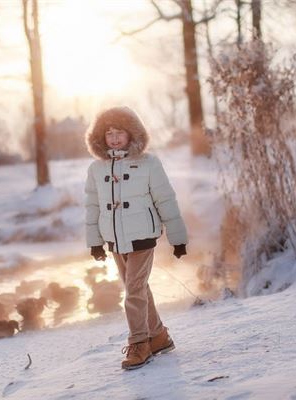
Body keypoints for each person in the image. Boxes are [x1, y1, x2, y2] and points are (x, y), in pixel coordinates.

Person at [84, 106, 188, 370]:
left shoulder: (148, 163)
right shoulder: (97, 169)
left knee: (133, 291)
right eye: (109, 133)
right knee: (138, 288)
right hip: (115, 240)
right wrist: (95, 242)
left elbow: (165, 198)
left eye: (120, 132)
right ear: (101, 137)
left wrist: (178, 238)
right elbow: (93, 207)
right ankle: (159, 336)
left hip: (142, 236)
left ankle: (139, 343)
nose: (115, 138)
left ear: (132, 134)